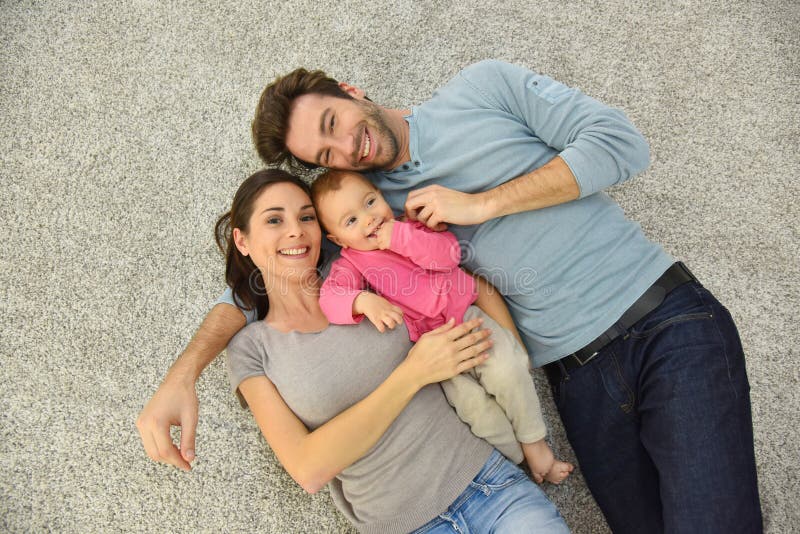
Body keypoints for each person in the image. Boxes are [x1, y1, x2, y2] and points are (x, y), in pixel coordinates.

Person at [137, 60, 762, 533]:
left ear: (352, 92)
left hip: (661, 320)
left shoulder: (482, 88)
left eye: (334, 124)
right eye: (323, 154)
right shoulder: (364, 215)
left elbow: (623, 145)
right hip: (578, 380)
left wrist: (482, 204)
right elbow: (271, 277)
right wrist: (183, 375)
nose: (344, 148)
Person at [213, 168, 571, 533]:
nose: (295, 230)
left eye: (306, 217)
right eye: (275, 219)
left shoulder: (367, 266)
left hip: (490, 480)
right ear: (242, 241)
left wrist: (516, 354)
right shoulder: (254, 346)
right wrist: (412, 373)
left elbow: (461, 276)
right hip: (406, 524)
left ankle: (531, 447)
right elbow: (308, 469)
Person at [312, 168, 573, 484]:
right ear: (337, 240)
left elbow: (448, 255)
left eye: (369, 202)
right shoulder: (351, 264)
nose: (368, 219)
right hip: (434, 348)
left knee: (508, 371)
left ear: (381, 197)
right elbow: (329, 297)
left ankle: (536, 444)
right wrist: (361, 302)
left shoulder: (412, 228)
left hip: (467, 319)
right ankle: (519, 457)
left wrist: (400, 237)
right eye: (351, 221)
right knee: (475, 411)